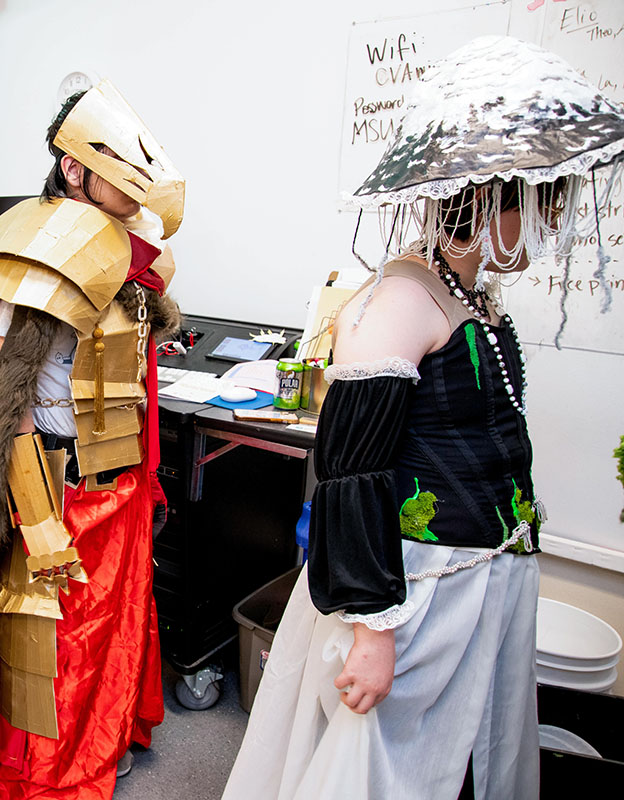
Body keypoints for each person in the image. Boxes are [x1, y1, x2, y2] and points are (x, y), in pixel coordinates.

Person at [221, 36, 624, 800]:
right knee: (390, 768)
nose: (555, 217)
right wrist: (374, 630)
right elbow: (350, 466)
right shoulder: (404, 298)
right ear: (493, 198)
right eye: (545, 200)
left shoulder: (473, 297)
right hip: (415, 591)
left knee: (462, 757)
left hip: (478, 580)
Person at [0, 80, 182, 800]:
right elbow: (3, 399)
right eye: (111, 159)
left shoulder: (124, 254)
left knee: (111, 629)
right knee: (51, 641)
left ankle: (103, 735)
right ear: (74, 167)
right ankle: (50, 764)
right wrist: (37, 518)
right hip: (55, 485)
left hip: (119, 484)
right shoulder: (34, 254)